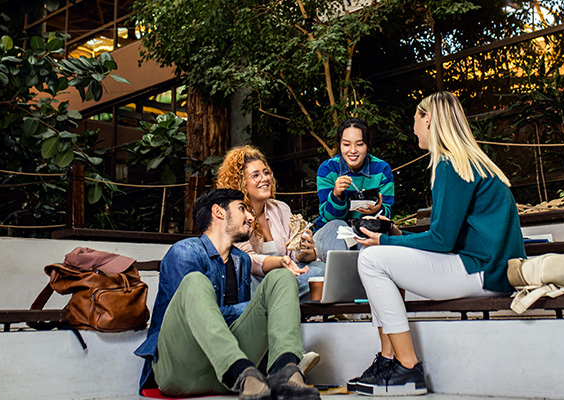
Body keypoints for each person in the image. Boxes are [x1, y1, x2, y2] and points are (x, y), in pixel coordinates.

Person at [347, 92, 527, 396]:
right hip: (486, 267)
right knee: (383, 256)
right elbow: (452, 235)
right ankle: (389, 359)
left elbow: (442, 240)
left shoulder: (451, 164)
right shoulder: (467, 161)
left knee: (371, 259)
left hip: (482, 270)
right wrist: (397, 239)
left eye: (416, 119)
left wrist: (385, 240)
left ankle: (406, 368)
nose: (414, 127)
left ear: (427, 118)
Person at [133, 189, 319, 400]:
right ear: (218, 212)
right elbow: (189, 319)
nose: (250, 217)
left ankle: (285, 370)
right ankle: (240, 369)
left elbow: (239, 324)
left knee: (281, 278)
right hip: (183, 370)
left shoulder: (242, 260)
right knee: (194, 282)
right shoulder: (184, 252)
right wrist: (252, 307)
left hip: (236, 378)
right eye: (242, 208)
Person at [215, 145, 324, 299]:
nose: (265, 178)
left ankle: (281, 301)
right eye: (256, 175)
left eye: (266, 173)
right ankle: (282, 301)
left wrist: (305, 253)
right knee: (246, 279)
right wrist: (280, 262)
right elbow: (246, 260)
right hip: (256, 282)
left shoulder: (281, 208)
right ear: (240, 182)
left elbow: (293, 256)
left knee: (320, 269)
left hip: (286, 278)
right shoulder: (233, 214)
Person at [312, 118, 395, 261]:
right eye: (346, 144)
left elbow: (387, 212)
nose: (352, 150)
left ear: (367, 145)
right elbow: (329, 217)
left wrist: (376, 210)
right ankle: (341, 278)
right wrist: (336, 195)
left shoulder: (382, 169)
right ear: (339, 145)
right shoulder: (328, 169)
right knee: (337, 226)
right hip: (330, 233)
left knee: (367, 231)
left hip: (363, 231)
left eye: (360, 144)